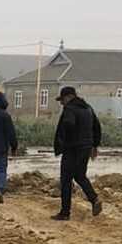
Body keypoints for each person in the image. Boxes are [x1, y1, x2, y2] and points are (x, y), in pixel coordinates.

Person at [52, 86, 104, 220]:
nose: (61, 103)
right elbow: (97, 127)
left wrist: (63, 143)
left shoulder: (69, 109)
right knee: (80, 175)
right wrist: (95, 145)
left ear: (69, 97)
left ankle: (65, 213)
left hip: (72, 148)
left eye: (62, 100)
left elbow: (68, 125)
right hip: (86, 147)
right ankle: (94, 199)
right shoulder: (88, 108)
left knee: (66, 180)